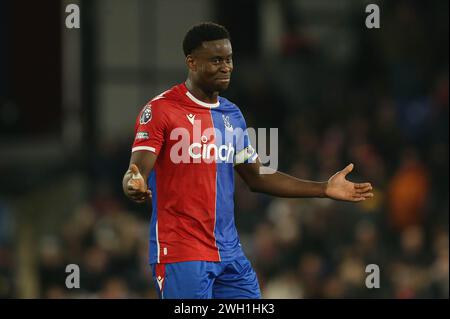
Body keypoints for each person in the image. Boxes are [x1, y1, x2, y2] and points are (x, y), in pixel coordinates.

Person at [122, 22, 373, 299]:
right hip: (182, 253)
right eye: (216, 60)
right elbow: (137, 168)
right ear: (191, 62)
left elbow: (258, 176)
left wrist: (323, 188)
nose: (226, 66)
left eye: (229, 59)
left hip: (230, 254)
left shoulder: (233, 115)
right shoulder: (161, 109)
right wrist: (133, 181)